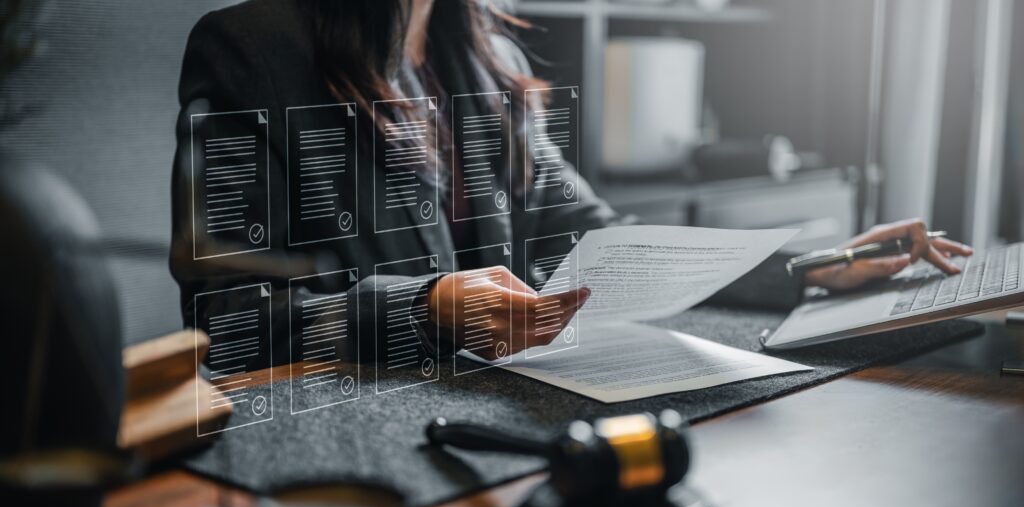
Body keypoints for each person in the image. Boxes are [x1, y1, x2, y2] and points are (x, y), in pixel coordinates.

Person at [170, 0, 972, 370]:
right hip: (360, 463)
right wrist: (426, 309)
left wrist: (816, 263)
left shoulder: (493, 63)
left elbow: (601, 238)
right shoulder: (249, 49)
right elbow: (228, 326)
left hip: (512, 433)